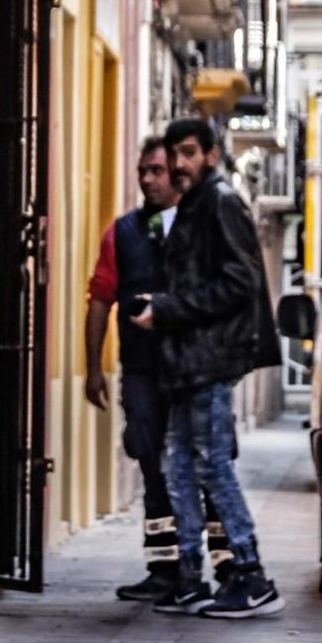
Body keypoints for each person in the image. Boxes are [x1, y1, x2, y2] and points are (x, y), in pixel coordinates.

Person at [132, 118, 284, 618]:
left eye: (190, 153)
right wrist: (162, 302)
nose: (179, 164)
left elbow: (239, 283)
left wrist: (170, 310)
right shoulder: (190, 208)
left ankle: (249, 572)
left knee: (212, 465)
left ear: (212, 156)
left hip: (210, 360)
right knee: (178, 468)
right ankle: (190, 576)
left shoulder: (220, 202)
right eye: (175, 153)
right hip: (184, 361)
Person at [85, 138, 230, 600]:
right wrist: (94, 368)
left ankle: (225, 570)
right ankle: (165, 570)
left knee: (207, 467)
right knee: (153, 465)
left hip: (195, 370)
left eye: (156, 171)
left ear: (179, 175)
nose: (147, 179)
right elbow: (100, 299)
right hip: (144, 370)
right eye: (142, 171)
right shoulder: (122, 233)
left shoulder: (204, 229)